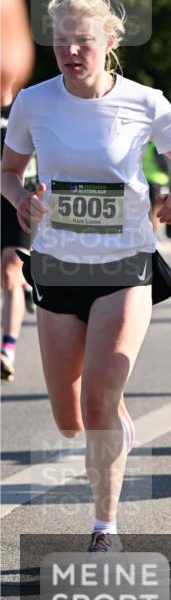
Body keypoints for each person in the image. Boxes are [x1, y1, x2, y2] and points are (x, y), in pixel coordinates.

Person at [0, 0, 171, 552]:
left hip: (125, 264)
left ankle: (105, 526)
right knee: (71, 419)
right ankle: (113, 413)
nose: (71, 51)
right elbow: (9, 170)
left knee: (95, 399)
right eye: (61, 40)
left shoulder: (146, 101)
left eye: (83, 41)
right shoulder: (33, 102)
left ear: (110, 43)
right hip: (56, 268)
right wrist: (20, 198)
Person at [1, 87, 38, 381]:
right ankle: (27, 285)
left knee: (11, 270)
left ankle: (7, 351)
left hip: (18, 199)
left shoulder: (30, 103)